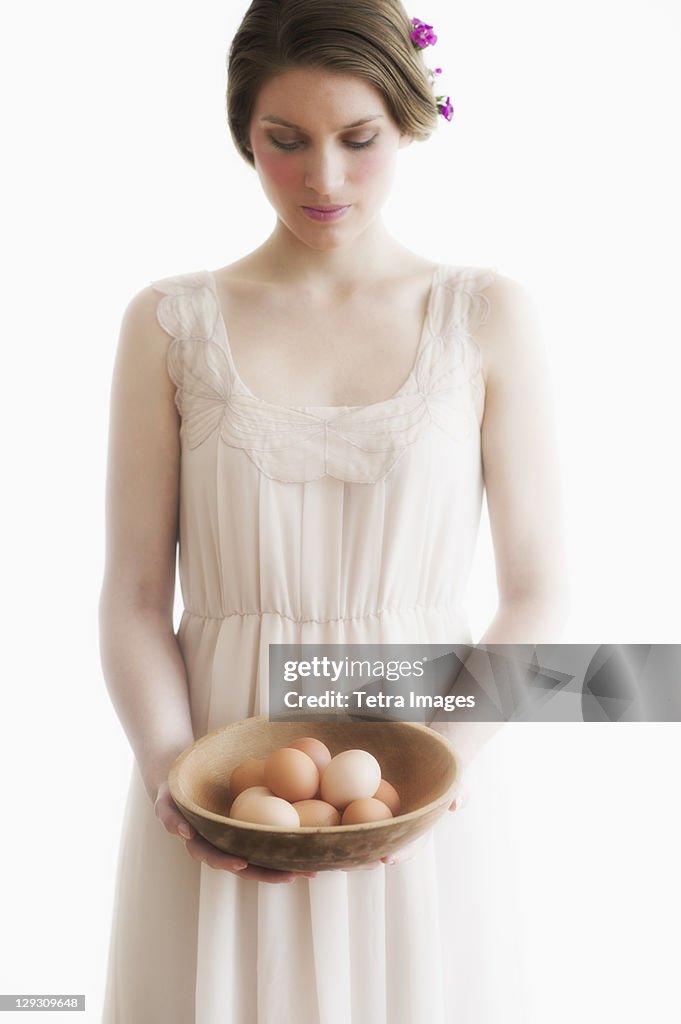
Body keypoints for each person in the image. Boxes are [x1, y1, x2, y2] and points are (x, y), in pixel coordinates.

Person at [98, 0, 568, 1020]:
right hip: (220, 774)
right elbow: (135, 595)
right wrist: (176, 778)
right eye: (285, 141)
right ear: (242, 134)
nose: (324, 178)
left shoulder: (485, 315)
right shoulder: (169, 323)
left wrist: (432, 776)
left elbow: (539, 595)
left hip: (423, 769)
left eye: (358, 140)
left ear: (407, 120)